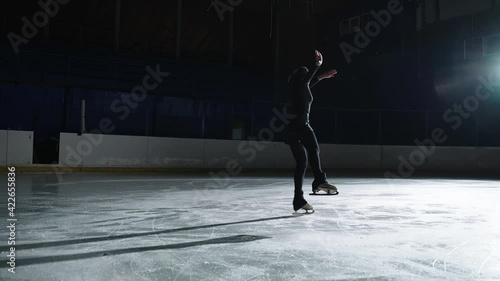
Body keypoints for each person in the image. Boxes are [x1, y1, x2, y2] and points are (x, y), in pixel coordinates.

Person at [285, 50, 338, 213]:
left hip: (292, 129)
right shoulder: (301, 85)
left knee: (302, 163)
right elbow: (308, 80)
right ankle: (319, 181)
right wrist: (317, 65)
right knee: (314, 149)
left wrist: (322, 76)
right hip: (300, 127)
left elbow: (311, 81)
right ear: (303, 76)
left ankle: (298, 200)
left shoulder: (300, 86)